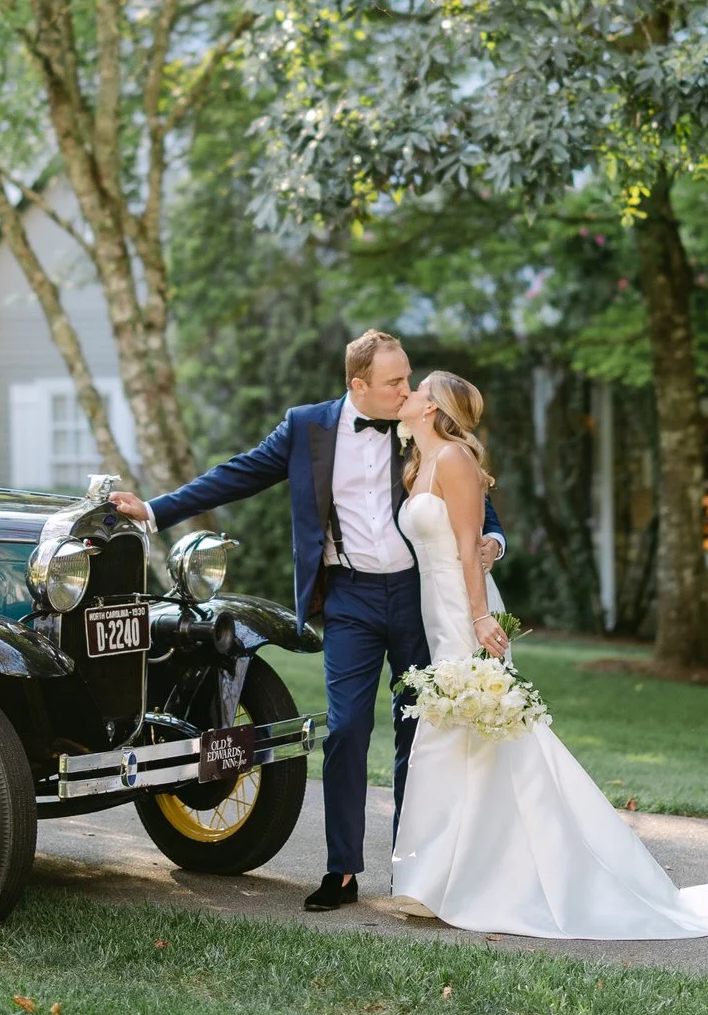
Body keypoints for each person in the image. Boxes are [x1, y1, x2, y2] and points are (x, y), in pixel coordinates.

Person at [108, 330, 501, 912]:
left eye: (408, 377)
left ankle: (415, 871)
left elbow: (469, 487)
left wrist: (494, 539)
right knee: (345, 730)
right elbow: (238, 473)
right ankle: (342, 870)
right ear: (358, 384)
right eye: (394, 381)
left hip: (418, 596)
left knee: (419, 726)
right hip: (348, 599)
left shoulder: (415, 424)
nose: (407, 389)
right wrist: (155, 510)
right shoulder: (307, 427)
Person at [388, 370, 708, 940]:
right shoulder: (418, 464)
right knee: (454, 733)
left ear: (434, 407)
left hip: (466, 610)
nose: (409, 394)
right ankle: (438, 878)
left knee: (484, 731)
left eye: (419, 389)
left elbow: (469, 548)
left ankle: (485, 877)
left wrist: (480, 617)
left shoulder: (454, 460)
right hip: (436, 612)